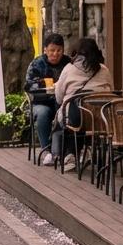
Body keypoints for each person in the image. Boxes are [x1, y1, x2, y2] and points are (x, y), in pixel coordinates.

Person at [51, 38, 114, 166]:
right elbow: (111, 92)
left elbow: (58, 97)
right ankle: (88, 151)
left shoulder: (69, 69)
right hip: (101, 118)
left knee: (61, 115)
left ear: (76, 52)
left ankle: (68, 153)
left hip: (75, 118)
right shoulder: (104, 70)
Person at [24, 33, 71, 165]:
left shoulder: (68, 63)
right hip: (41, 101)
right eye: (52, 50)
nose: (55, 54)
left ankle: (68, 151)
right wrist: (45, 85)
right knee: (43, 113)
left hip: (62, 102)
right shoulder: (37, 64)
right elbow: (28, 85)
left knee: (71, 112)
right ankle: (46, 150)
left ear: (63, 50)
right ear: (45, 50)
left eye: (59, 50)